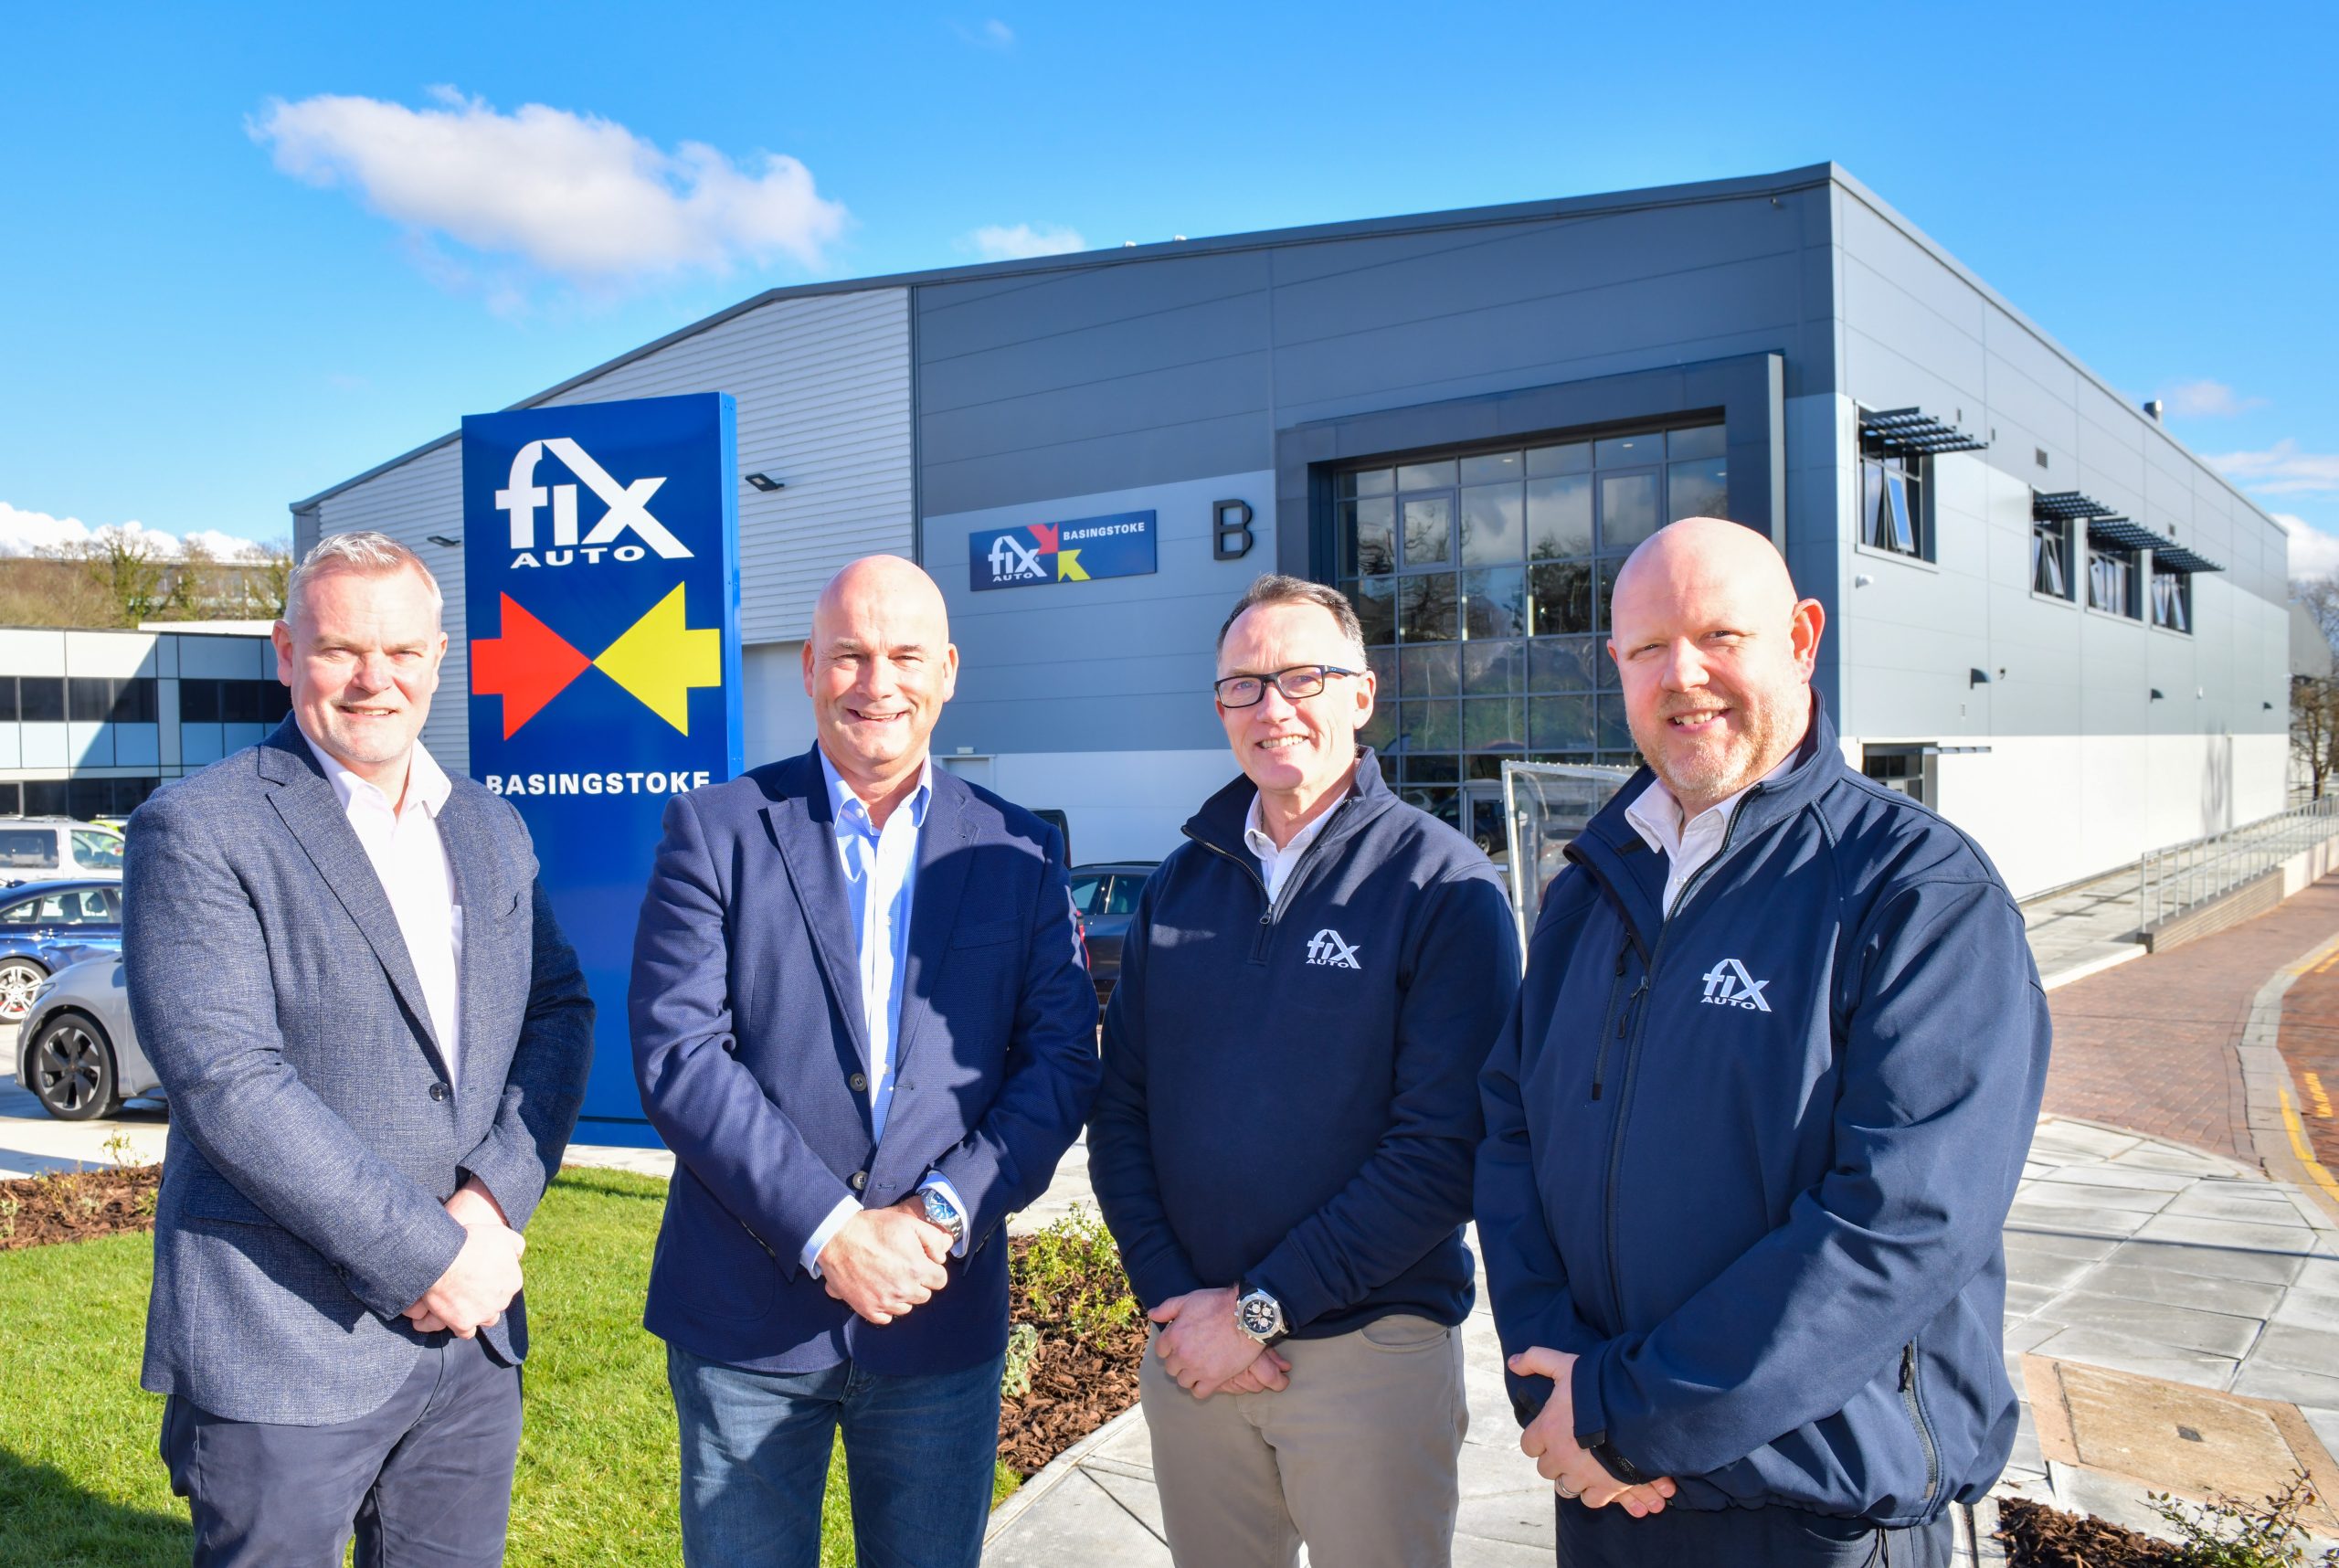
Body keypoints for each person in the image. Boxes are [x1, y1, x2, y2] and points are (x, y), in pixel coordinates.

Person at [1475, 516, 2052, 1566]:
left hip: (1816, 1513)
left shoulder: (1916, 892)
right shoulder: (1591, 889)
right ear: (1616, 666)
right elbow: (1510, 1134)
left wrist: (1627, 1408)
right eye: (1647, 648)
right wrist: (1553, 1381)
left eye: (1718, 637)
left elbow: (1901, 1224)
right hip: (1608, 1494)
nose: (1682, 676)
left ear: (1802, 636)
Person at [125, 530, 595, 1567]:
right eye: (341, 649)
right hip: (282, 1341)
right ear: (287, 651)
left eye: (401, 652)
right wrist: (429, 1257)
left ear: (440, 658)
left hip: (472, 1345)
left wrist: (488, 1202)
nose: (373, 679)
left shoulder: (487, 824)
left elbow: (557, 1011)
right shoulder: (199, 830)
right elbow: (227, 1080)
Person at [630, 553, 1097, 1568]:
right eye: (848, 655)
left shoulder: (1017, 851)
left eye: (902, 655)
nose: (875, 682)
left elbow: (1058, 1062)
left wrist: (939, 1214)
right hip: (746, 1326)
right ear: (806, 667)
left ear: (948, 672)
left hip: (939, 1316)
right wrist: (831, 1229)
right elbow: (680, 1055)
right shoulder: (715, 831)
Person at [1088, 573, 1520, 1568]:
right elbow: (1122, 1114)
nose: (1272, 708)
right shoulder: (1179, 886)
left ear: (1361, 695)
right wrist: (1173, 1301)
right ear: (1218, 709)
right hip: (1192, 1353)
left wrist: (1258, 1310)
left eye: (1302, 678)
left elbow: (1443, 1152)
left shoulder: (1443, 889)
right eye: (1244, 684)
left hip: (1366, 1355)